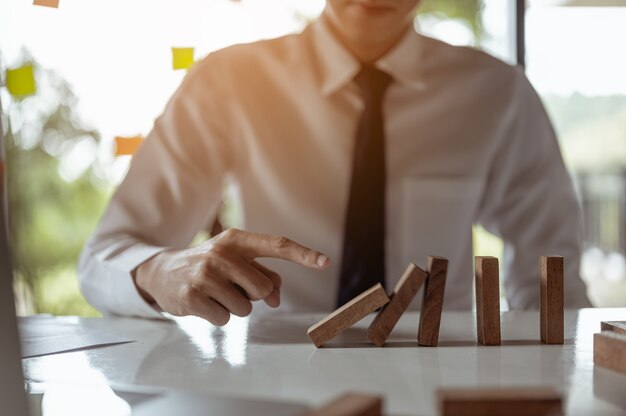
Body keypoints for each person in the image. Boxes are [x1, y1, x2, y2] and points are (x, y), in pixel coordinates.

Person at [78, 0, 591, 326]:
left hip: (441, 380)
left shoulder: (498, 93)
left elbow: (554, 287)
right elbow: (105, 255)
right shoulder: (226, 82)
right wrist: (161, 270)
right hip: (272, 381)